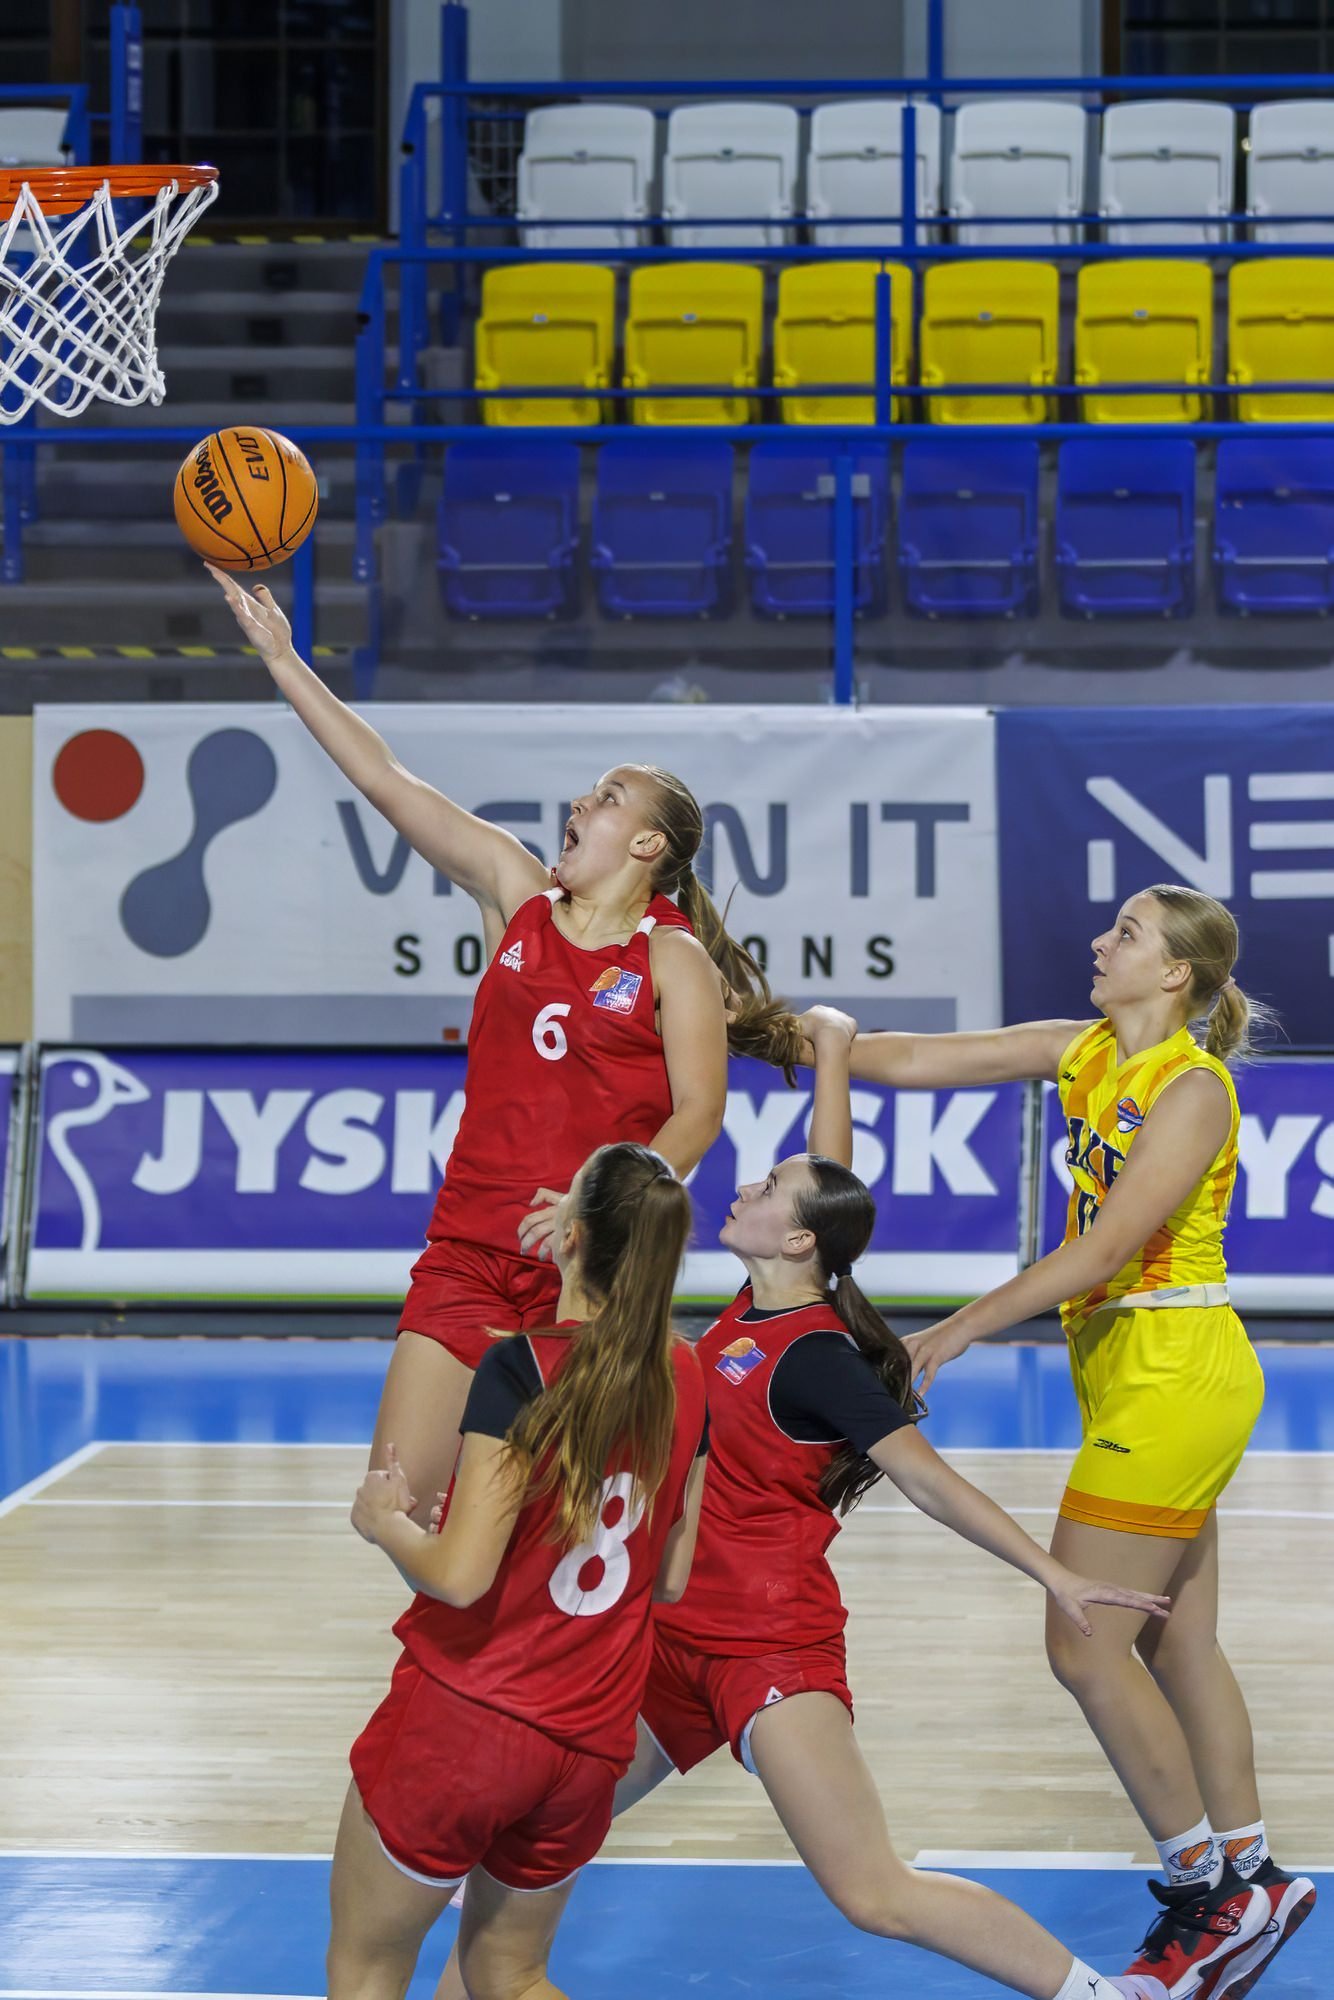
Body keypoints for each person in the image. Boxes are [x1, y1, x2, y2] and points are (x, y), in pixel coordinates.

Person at [435, 1008, 1175, 2000]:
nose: (744, 1185)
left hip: (764, 1648)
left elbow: (926, 1477)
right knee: (524, 1842)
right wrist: (830, 1053)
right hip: (665, 1637)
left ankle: (1105, 1996)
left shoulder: (818, 1357)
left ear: (793, 1236)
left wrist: (1053, 1572)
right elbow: (829, 1182)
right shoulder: (754, 1307)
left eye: (766, 1185)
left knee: (874, 1892)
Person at [207, 563, 799, 1521]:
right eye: (590, 792)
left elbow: (700, 1114)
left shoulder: (673, 958)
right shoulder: (518, 894)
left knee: (556, 1522)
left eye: (609, 797)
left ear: (648, 845)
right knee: (397, 1504)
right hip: (469, 1247)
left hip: (589, 1266)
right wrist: (284, 660)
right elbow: (385, 779)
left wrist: (601, 1203)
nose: (582, 803)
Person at [846, 883, 1315, 1999]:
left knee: (1083, 1639)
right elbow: (911, 1060)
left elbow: (1102, 1252)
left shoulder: (1191, 1087)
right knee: (1174, 1642)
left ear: (1175, 974)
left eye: (1127, 934)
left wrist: (956, 1326)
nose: (1100, 942)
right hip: (1129, 1370)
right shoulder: (1084, 1047)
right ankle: (1253, 1873)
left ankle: (1206, 1891)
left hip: (1173, 1372)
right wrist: (782, 1032)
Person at [329, 1141, 709, 2000]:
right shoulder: (687, 1375)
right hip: (589, 1741)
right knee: (511, 1975)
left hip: (468, 1722)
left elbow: (461, 1577)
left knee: (366, 1967)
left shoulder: (524, 1364)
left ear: (571, 1238)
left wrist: (388, 1524)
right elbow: (670, 1576)